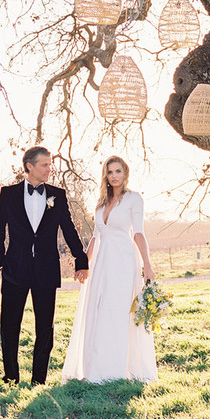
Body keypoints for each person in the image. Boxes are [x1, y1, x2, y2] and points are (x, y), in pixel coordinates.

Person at [0, 146, 89, 385]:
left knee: (45, 327)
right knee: (9, 325)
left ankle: (39, 380)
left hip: (46, 270)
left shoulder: (58, 195)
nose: (49, 169)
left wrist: (81, 259)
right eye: (44, 164)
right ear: (29, 166)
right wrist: (1, 261)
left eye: (50, 164)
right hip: (14, 269)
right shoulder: (8, 195)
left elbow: (69, 230)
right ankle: (11, 377)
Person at [62, 155, 158, 383]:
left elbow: (138, 233)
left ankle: (118, 371)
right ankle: (97, 369)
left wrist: (148, 266)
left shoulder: (134, 199)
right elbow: (96, 236)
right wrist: (84, 264)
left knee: (119, 310)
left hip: (123, 260)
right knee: (98, 309)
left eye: (118, 171)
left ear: (125, 174)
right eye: (110, 171)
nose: (114, 176)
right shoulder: (101, 203)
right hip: (101, 263)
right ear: (105, 175)